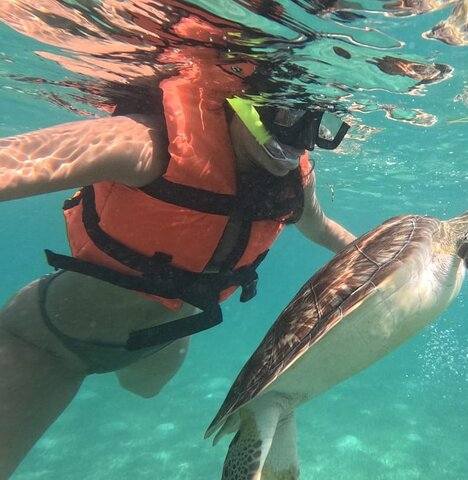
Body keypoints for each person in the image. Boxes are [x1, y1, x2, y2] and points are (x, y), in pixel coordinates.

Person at [0, 84, 356, 476]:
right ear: (242, 102)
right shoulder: (149, 144)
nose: (299, 140)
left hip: (161, 344)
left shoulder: (293, 182)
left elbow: (321, 228)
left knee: (143, 388)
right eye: (287, 116)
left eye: (316, 126)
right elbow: (13, 162)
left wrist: (391, 257)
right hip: (50, 343)